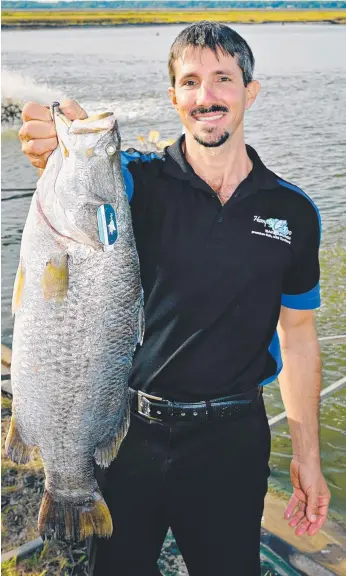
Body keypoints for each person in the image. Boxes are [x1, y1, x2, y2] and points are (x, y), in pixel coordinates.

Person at [19, 21, 330, 576]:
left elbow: (299, 334)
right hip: (128, 431)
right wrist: (53, 142)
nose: (205, 97)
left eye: (222, 80)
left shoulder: (294, 211)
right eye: (189, 82)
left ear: (249, 91)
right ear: (173, 98)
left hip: (233, 441)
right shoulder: (135, 181)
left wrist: (308, 458)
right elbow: (83, 187)